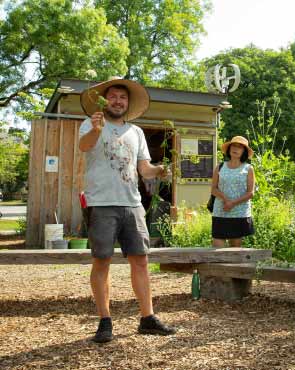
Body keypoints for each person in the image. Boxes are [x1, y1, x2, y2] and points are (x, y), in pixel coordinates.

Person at [79, 77, 176, 343]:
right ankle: (104, 321)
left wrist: (159, 170)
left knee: (141, 261)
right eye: (113, 96)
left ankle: (147, 318)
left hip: (132, 203)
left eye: (123, 97)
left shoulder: (136, 132)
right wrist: (96, 130)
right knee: (102, 261)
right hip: (100, 203)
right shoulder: (91, 124)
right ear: (104, 99)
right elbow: (83, 146)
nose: (118, 101)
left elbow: (144, 168)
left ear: (128, 103)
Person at [211, 136, 255, 247]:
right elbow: (213, 189)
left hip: (239, 213)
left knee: (235, 252)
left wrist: (233, 203)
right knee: (217, 250)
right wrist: (226, 200)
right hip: (220, 211)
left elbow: (251, 193)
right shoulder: (219, 167)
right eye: (234, 146)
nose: (236, 149)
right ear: (229, 149)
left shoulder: (248, 168)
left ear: (244, 151)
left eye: (240, 147)